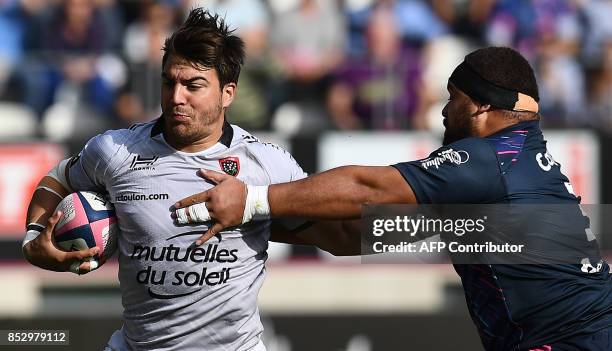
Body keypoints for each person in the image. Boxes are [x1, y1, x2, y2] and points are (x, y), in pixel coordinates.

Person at [174, 47, 612, 350]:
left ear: (480, 105)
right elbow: (353, 236)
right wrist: (245, 222)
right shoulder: (509, 168)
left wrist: (251, 200)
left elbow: (370, 188)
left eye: (452, 98)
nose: (443, 111)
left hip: (575, 340)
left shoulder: (490, 159)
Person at [22, 8, 354, 350]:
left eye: (193, 85)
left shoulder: (266, 163)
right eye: (169, 82)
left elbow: (340, 235)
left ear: (228, 93)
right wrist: (33, 240)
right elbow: (59, 177)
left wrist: (406, 231)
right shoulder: (115, 150)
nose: (176, 97)